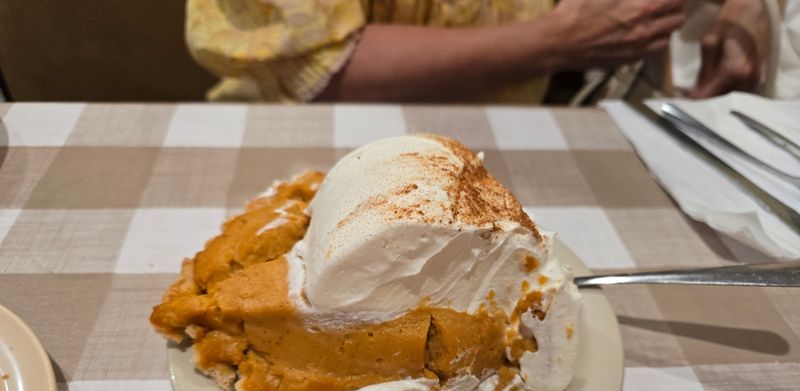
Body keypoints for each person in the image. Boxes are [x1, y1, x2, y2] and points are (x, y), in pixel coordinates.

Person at [186, 0, 772, 103]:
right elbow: (313, 70)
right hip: (290, 137)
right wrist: (557, 42)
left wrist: (748, 6)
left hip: (512, 143)